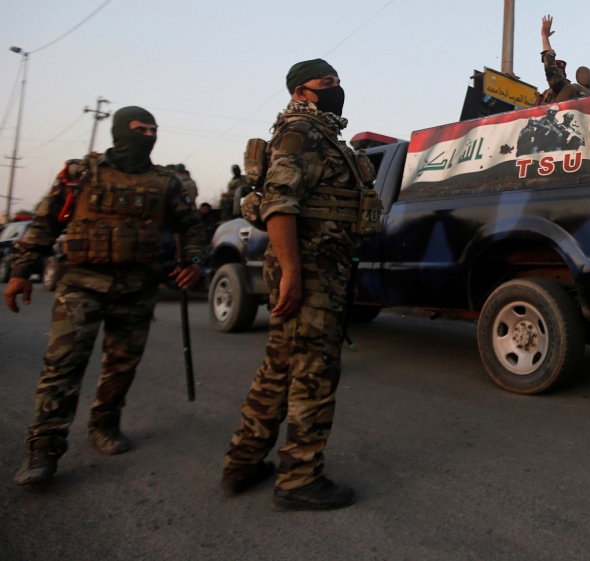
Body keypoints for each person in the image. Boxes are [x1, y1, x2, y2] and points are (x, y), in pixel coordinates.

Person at [5, 106, 205, 485]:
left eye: (153, 130)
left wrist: (194, 259)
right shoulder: (80, 174)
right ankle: (43, 448)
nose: (148, 136)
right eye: (140, 129)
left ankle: (105, 424)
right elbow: (44, 224)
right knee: (62, 365)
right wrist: (19, 272)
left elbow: (191, 227)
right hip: (82, 283)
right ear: (119, 131)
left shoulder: (166, 183)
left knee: (122, 365)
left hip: (137, 287)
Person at [221, 58, 364, 512]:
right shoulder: (301, 132)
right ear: (301, 91)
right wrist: (293, 275)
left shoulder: (319, 134)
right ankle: (299, 478)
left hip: (317, 267)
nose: (337, 88)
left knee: (280, 368)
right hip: (309, 268)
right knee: (313, 373)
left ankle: (242, 462)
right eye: (327, 82)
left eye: (338, 80)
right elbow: (279, 205)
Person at [533, 15, 590, 105]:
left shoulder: (565, 88)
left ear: (564, 76)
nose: (556, 74)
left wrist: (544, 37)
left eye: (559, 72)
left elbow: (550, 67)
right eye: (557, 72)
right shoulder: (547, 95)